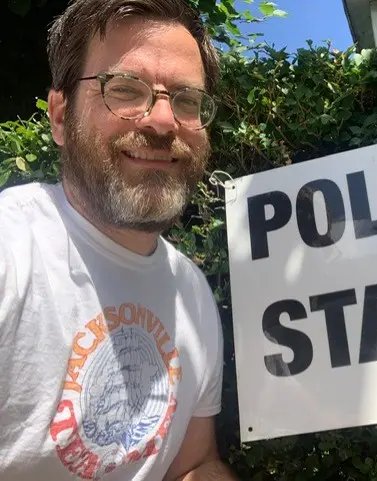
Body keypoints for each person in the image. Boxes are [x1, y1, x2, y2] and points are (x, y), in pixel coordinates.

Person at [0, 0, 239, 479]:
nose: (164, 121)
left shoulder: (191, 292)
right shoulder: (12, 248)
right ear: (61, 117)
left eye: (188, 100)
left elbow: (191, 464)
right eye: (125, 90)